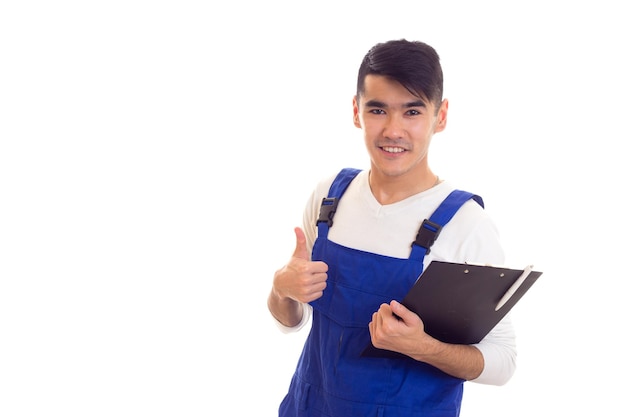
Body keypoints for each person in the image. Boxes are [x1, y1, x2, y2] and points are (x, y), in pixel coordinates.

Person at [267, 39, 516, 417]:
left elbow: (503, 360)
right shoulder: (328, 199)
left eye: (412, 111)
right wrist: (281, 290)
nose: (393, 130)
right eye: (378, 109)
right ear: (356, 111)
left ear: (441, 115)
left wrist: (423, 346)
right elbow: (292, 321)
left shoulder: (466, 224)